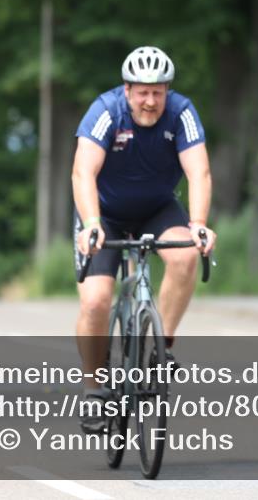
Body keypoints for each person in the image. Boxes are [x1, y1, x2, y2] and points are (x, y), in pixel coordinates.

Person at [72, 46, 216, 433]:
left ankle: (159, 350)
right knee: (96, 300)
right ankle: (93, 388)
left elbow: (198, 172)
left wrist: (199, 222)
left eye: (158, 91)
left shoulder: (182, 112)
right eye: (142, 92)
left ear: (167, 90)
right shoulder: (105, 112)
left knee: (186, 255)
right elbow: (82, 173)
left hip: (157, 209)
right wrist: (91, 222)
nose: (150, 100)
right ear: (127, 89)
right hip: (105, 215)